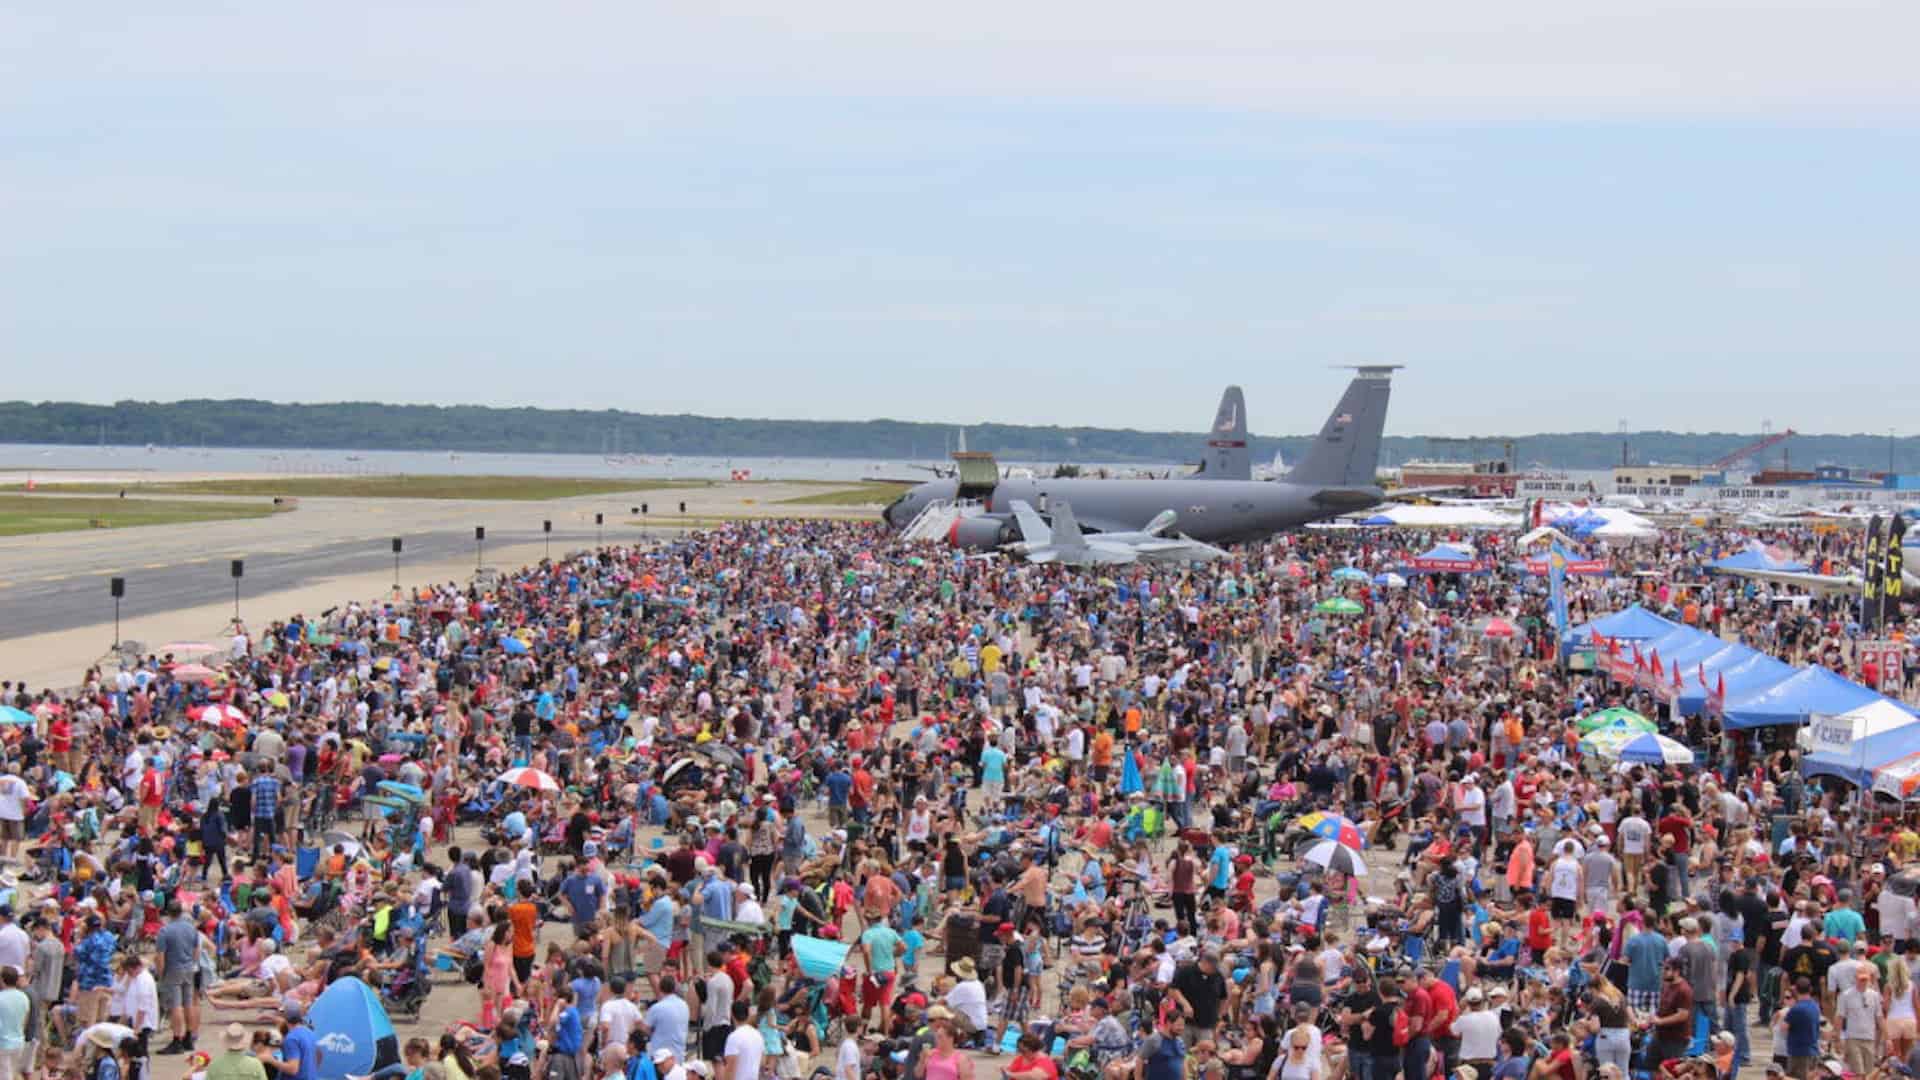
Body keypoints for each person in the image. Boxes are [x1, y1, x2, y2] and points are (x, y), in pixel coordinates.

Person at [155, 900, 200, 1054]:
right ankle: (189, 1036)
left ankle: (177, 1039)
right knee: (188, 1003)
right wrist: (192, 963)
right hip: (188, 967)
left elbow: (160, 956)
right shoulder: (191, 928)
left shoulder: (165, 931)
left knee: (176, 1005)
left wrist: (161, 974)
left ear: (168, 913)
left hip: (173, 968)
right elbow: (196, 949)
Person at [259, 1003, 319, 1080]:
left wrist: (270, 1059)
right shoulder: (310, 1033)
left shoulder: (291, 1038)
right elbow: (318, 1055)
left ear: (285, 1017)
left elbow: (292, 1070)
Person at [641, 975, 690, 1062]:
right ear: (675, 988)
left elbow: (645, 1029)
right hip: (679, 1053)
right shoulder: (684, 1005)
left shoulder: (657, 1008)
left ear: (659, 988)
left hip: (659, 1055)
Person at [721, 1001, 763, 1080]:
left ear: (732, 1015)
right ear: (747, 1015)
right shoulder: (758, 1035)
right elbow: (762, 1062)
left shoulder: (734, 1037)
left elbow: (730, 1067)